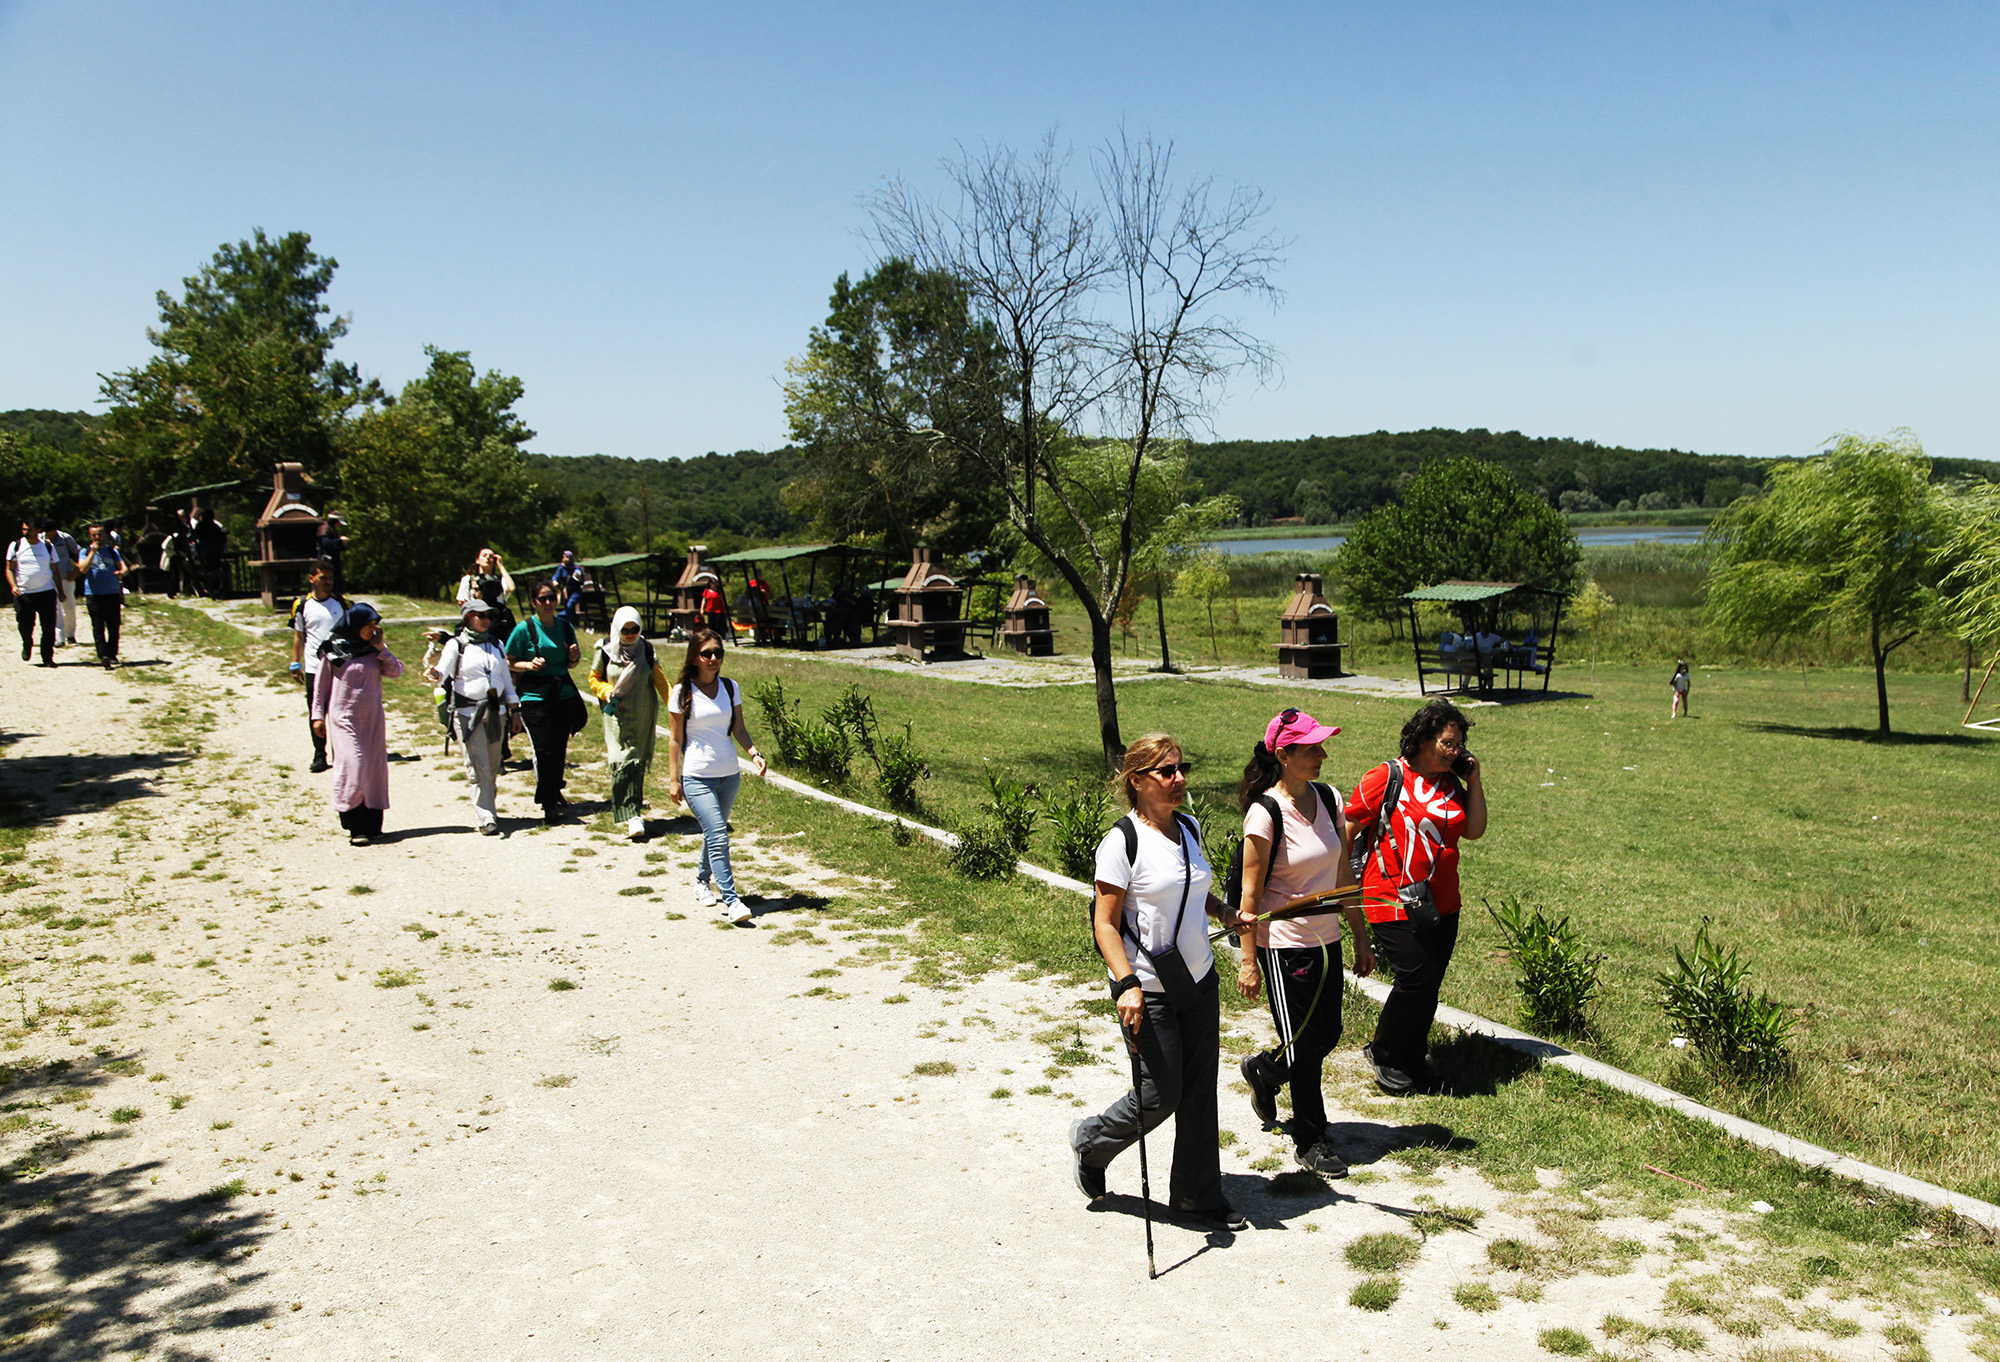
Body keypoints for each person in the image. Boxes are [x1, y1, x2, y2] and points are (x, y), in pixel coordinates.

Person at [1068, 734, 1246, 1234]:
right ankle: (1092, 1140)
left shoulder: (1187, 827)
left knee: (1198, 1094)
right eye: (1167, 772)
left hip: (1199, 978)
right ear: (1138, 781)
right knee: (1159, 1094)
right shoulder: (1121, 842)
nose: (1179, 779)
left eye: (1181, 768)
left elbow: (1195, 890)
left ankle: (1196, 1197)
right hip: (1145, 985)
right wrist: (1125, 983)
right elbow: (1105, 922)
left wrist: (1227, 913)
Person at [1234, 708, 1375, 1176]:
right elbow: (1249, 896)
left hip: (1326, 938)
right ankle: (1311, 1136)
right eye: (1312, 748)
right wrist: (1249, 960)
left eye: (1321, 746)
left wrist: (1360, 936)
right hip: (1283, 943)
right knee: (1303, 1045)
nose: (1322, 754)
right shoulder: (1265, 812)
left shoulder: (1330, 798)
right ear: (1284, 753)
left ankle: (1264, 1071)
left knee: (1327, 1032)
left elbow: (1342, 877)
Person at [1345, 699, 1488, 1095]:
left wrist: (1473, 781)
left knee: (1429, 985)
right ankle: (1384, 1052)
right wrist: (1338, 879)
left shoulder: (1451, 785)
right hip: (1388, 895)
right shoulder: (1388, 776)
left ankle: (1412, 1056)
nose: (1455, 751)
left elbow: (1474, 830)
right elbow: (1349, 828)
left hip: (1442, 901)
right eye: (1447, 742)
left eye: (1459, 743)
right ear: (1422, 739)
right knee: (1416, 977)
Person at [665, 628, 767, 923]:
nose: (713, 658)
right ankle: (733, 901)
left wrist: (754, 753)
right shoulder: (682, 692)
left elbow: (739, 729)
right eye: (706, 653)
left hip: (729, 775)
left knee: (714, 834)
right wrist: (674, 780)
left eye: (718, 653)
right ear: (694, 657)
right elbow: (674, 739)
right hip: (696, 776)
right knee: (719, 836)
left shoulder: (730, 687)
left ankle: (700, 880)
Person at [311, 603, 403, 845]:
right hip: (344, 717)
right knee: (353, 764)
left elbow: (396, 672)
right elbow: (320, 686)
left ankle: (373, 825)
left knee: (373, 769)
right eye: (369, 625)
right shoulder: (332, 649)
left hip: (372, 719)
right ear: (356, 624)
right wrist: (317, 715)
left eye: (375, 626)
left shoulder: (374, 649)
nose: (373, 630)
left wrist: (381, 648)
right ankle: (354, 825)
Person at [428, 600, 521, 835]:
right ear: (468, 618)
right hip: (468, 714)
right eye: (479, 615)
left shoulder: (497, 645)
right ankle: (486, 816)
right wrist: (434, 672)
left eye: (488, 615)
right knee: (477, 766)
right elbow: (442, 671)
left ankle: (489, 807)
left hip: (496, 712)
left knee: (492, 764)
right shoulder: (456, 645)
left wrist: (515, 709)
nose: (485, 619)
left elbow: (506, 680)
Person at [588, 607, 672, 842]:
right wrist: (606, 691)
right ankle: (629, 811)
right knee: (622, 759)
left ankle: (632, 814)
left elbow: (660, 680)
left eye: (634, 629)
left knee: (636, 758)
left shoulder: (646, 649)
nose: (629, 634)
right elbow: (594, 678)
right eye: (625, 630)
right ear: (617, 628)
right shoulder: (604, 649)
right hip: (617, 716)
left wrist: (674, 704)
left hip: (643, 714)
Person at [507, 582, 586, 824]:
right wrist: (528, 665)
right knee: (544, 748)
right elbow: (509, 661)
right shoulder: (524, 629)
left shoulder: (564, 627)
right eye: (543, 599)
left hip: (561, 693)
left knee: (559, 747)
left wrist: (574, 657)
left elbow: (571, 663)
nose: (548, 603)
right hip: (534, 695)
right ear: (534, 602)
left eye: (551, 597)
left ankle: (553, 792)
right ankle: (548, 801)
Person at [289, 562, 351, 772]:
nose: (328, 582)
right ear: (311, 579)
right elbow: (299, 635)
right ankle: (319, 754)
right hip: (314, 668)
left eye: (330, 578)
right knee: (317, 713)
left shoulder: (341, 603)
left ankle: (342, 753)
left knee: (341, 712)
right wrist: (295, 662)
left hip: (340, 668)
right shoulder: (302, 605)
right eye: (323, 577)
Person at [7, 519, 60, 666]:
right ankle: (27, 642)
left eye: (28, 530)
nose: (26, 533)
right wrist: (13, 585)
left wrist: (60, 591)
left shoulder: (48, 547)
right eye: (24, 530)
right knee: (25, 624)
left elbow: (55, 570)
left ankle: (47, 657)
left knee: (49, 627)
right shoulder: (16, 546)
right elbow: (9, 568)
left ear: (37, 530)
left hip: (46, 592)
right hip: (24, 594)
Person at [76, 524, 127, 668]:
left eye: (100, 534)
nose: (97, 538)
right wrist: (92, 552)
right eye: (94, 535)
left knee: (113, 625)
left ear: (105, 535)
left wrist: (122, 572)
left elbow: (123, 567)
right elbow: (83, 569)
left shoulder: (112, 551)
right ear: (90, 537)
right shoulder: (84, 551)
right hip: (93, 594)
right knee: (98, 626)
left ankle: (112, 654)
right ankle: (103, 655)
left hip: (112, 592)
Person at [456, 548, 516, 643]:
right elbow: (462, 602)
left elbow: (511, 588)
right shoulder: (468, 579)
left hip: (498, 620)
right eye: (484, 555)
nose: (488, 558)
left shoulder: (500, 579)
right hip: (477, 618)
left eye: (491, 557)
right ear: (477, 560)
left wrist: (501, 567)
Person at [45, 523, 80, 647]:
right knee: (55, 609)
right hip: (49, 580)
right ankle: (59, 638)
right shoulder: (40, 539)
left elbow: (79, 553)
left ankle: (70, 634)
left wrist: (75, 571)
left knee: (69, 607)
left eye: (49, 531)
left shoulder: (65, 538)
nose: (47, 533)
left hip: (66, 577)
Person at [191, 507, 227, 597]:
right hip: (215, 552)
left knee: (207, 569)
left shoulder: (201, 526)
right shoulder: (215, 527)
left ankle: (210, 588)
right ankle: (214, 588)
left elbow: (193, 537)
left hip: (205, 552)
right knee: (214, 569)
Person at [317, 514, 349, 594]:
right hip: (327, 561)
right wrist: (340, 541)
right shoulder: (325, 529)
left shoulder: (331, 529)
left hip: (333, 560)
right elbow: (326, 544)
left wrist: (342, 544)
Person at [550, 551, 584, 627]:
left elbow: (581, 581)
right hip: (567, 592)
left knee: (569, 606)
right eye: (563, 557)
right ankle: (574, 624)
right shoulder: (561, 567)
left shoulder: (576, 568)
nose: (564, 559)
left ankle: (561, 619)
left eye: (567, 557)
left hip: (576, 591)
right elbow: (555, 576)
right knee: (570, 609)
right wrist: (555, 581)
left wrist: (579, 577)